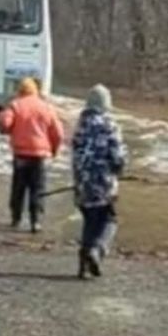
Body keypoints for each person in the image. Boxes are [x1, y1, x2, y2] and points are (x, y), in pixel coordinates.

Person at [72, 84, 126, 279]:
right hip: (103, 182)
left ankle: (83, 267)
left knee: (89, 221)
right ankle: (97, 250)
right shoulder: (109, 125)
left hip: (82, 183)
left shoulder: (80, 125)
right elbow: (118, 156)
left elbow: (76, 154)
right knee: (109, 220)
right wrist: (119, 170)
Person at [0, 78, 63, 233]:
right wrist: (54, 150)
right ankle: (36, 221)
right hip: (39, 155)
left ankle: (16, 219)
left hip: (20, 154)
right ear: (36, 90)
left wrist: (3, 117)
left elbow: (5, 124)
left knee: (18, 187)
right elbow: (58, 133)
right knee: (37, 188)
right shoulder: (46, 107)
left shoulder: (15, 105)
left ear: (20, 90)